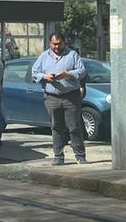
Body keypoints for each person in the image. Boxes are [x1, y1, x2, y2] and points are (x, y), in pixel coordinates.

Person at [31, 32, 88, 165]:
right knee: (56, 127)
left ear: (64, 42)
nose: (56, 47)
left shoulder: (72, 54)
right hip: (52, 97)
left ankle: (80, 156)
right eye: (53, 44)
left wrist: (68, 74)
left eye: (59, 44)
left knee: (74, 126)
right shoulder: (44, 56)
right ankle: (58, 156)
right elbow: (34, 73)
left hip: (71, 96)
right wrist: (45, 77)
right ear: (50, 43)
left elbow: (82, 71)